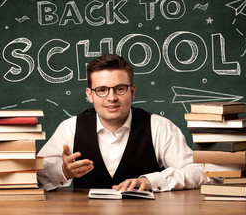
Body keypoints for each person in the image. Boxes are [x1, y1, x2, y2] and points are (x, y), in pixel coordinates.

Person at [37, 54, 206, 192]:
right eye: (102, 90)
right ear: (90, 95)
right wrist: (63, 171)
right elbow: (36, 175)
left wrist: (151, 181)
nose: (111, 98)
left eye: (119, 89)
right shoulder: (70, 128)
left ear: (132, 91)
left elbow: (199, 172)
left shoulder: (159, 126)